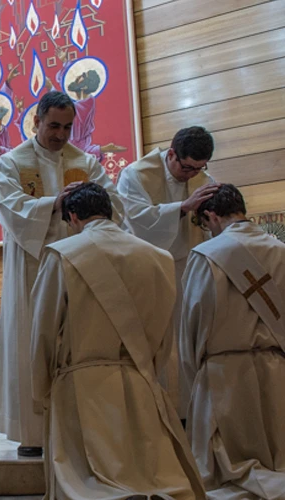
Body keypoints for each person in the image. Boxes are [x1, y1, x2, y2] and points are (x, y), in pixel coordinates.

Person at [30, 182, 204, 498]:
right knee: (146, 473)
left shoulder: (62, 255)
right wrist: (148, 369)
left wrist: (42, 387)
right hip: (140, 380)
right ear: (110, 212)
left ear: (72, 217)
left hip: (82, 388)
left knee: (91, 480)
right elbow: (166, 329)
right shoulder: (158, 257)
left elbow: (43, 327)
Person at [0, 90, 123, 457]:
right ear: (37, 120)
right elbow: (11, 208)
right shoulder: (12, 162)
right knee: (31, 339)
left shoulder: (86, 162)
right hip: (32, 263)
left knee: (77, 341)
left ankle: (78, 426)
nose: (61, 134)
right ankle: (33, 433)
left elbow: (114, 205)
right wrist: (57, 203)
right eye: (54, 126)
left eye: (67, 127)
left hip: (80, 264)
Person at [181, 184, 285, 498]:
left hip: (225, 371)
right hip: (275, 365)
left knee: (226, 465)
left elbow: (194, 316)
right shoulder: (281, 250)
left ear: (210, 216)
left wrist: (194, 367)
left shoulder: (206, 254)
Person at [117, 125, 217, 415]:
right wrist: (182, 208)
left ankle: (189, 411)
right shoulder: (135, 175)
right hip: (148, 269)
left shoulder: (203, 178)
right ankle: (155, 410)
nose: (192, 175)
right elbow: (136, 222)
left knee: (189, 338)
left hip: (188, 269)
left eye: (199, 168)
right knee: (156, 341)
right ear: (171, 153)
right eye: (187, 167)